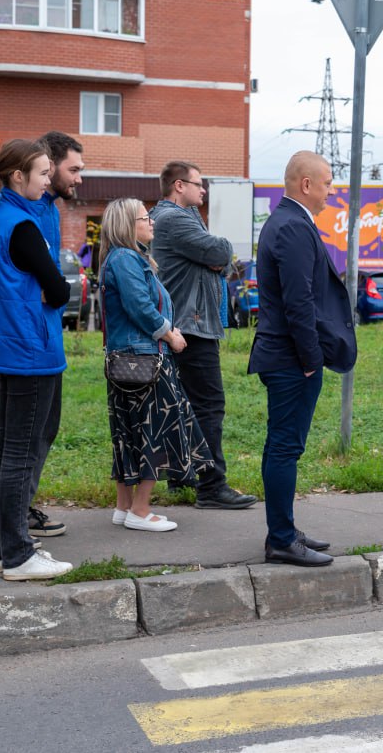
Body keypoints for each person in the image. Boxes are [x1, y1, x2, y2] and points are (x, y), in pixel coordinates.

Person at [0, 132, 84, 549]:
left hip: (31, 336)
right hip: (24, 342)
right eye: (70, 170)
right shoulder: (15, 213)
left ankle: (10, 519)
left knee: (32, 433)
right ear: (33, 171)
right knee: (18, 441)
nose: (77, 179)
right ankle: (6, 529)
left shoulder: (36, 207)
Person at [247, 151, 356, 566]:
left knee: (284, 446)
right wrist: (311, 359)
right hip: (291, 359)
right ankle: (280, 539)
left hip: (289, 357)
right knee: (283, 447)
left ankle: (285, 529)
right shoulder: (292, 227)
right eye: (328, 182)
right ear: (306, 185)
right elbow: (299, 302)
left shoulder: (290, 222)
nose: (333, 190)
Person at [98, 198, 222, 533]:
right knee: (157, 430)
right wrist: (169, 334)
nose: (151, 221)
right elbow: (139, 306)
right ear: (128, 224)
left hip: (130, 359)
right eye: (144, 217)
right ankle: (140, 510)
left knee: (129, 432)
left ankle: (125, 507)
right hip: (145, 360)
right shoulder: (126, 258)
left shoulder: (124, 257)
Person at [148, 160, 257, 510]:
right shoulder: (174, 218)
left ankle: (183, 476)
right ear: (179, 185)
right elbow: (222, 252)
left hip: (187, 325)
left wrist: (216, 256)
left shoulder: (180, 217)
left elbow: (222, 262)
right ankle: (212, 485)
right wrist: (216, 254)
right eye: (198, 184)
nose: (203, 190)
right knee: (209, 405)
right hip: (191, 328)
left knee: (183, 405)